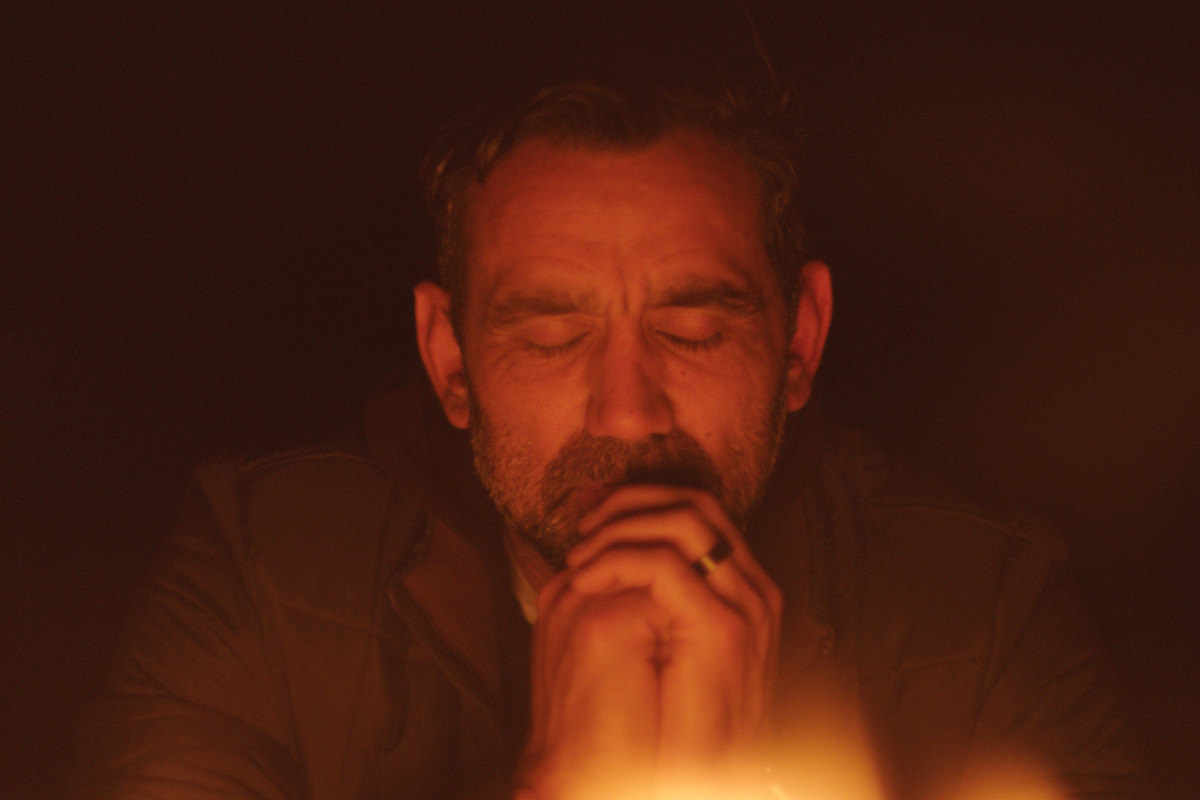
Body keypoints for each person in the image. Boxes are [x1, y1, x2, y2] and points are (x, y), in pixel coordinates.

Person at [72, 82, 1148, 800]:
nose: (628, 410)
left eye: (694, 328)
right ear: (449, 361)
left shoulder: (986, 603)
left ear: (800, 343)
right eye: (549, 336)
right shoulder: (264, 568)